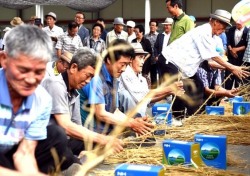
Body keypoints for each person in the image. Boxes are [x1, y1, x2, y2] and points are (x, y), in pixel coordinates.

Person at [0, 25, 79, 175]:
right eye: (23, 70)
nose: (31, 80)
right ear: (4, 60)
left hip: (10, 153)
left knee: (56, 136)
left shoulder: (41, 99)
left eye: (39, 71)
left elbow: (24, 154)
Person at [159, 9, 250, 126]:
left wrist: (231, 70)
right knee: (179, 90)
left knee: (198, 85)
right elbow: (213, 56)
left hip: (185, 67)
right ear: (215, 22)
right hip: (171, 61)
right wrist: (232, 68)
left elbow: (210, 61)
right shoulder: (204, 31)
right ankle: (177, 120)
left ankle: (193, 118)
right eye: (223, 27)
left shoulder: (211, 37)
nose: (223, 31)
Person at [42, 48, 123, 156]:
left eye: (92, 77)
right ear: (73, 68)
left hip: (64, 141)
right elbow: (66, 126)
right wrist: (102, 139)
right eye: (87, 75)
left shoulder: (75, 93)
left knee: (97, 144)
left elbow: (78, 126)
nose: (88, 81)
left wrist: (101, 140)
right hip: (47, 143)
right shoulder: (55, 84)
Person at [79, 39, 154, 135]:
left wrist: (135, 121)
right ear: (109, 59)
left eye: (127, 65)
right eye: (122, 64)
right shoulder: (96, 77)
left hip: (106, 130)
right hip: (91, 134)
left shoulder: (114, 77)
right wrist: (131, 123)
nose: (124, 69)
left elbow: (115, 111)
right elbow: (100, 114)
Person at [118, 43, 184, 117]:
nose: (143, 62)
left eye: (143, 58)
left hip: (139, 117)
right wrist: (169, 88)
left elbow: (148, 99)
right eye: (140, 57)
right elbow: (145, 94)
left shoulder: (141, 78)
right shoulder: (126, 73)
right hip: (127, 119)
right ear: (131, 59)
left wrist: (169, 92)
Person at [225, 20, 248, 89]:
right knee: (229, 76)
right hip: (231, 57)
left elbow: (247, 45)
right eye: (236, 24)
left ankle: (237, 94)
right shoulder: (231, 29)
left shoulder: (247, 31)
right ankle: (227, 93)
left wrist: (236, 49)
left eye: (239, 25)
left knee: (239, 77)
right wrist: (231, 50)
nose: (237, 26)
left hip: (241, 57)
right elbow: (227, 41)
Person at [154, 17, 173, 82]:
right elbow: (155, 47)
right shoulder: (160, 35)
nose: (166, 26)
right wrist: (156, 56)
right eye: (165, 25)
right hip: (161, 59)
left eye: (167, 25)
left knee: (170, 78)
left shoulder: (173, 36)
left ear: (171, 26)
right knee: (161, 77)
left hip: (170, 60)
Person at [145, 20, 159, 89]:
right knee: (145, 75)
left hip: (155, 59)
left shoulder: (159, 36)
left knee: (154, 75)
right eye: (151, 25)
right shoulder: (146, 36)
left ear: (157, 27)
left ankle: (154, 91)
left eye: (153, 25)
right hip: (147, 58)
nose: (152, 26)